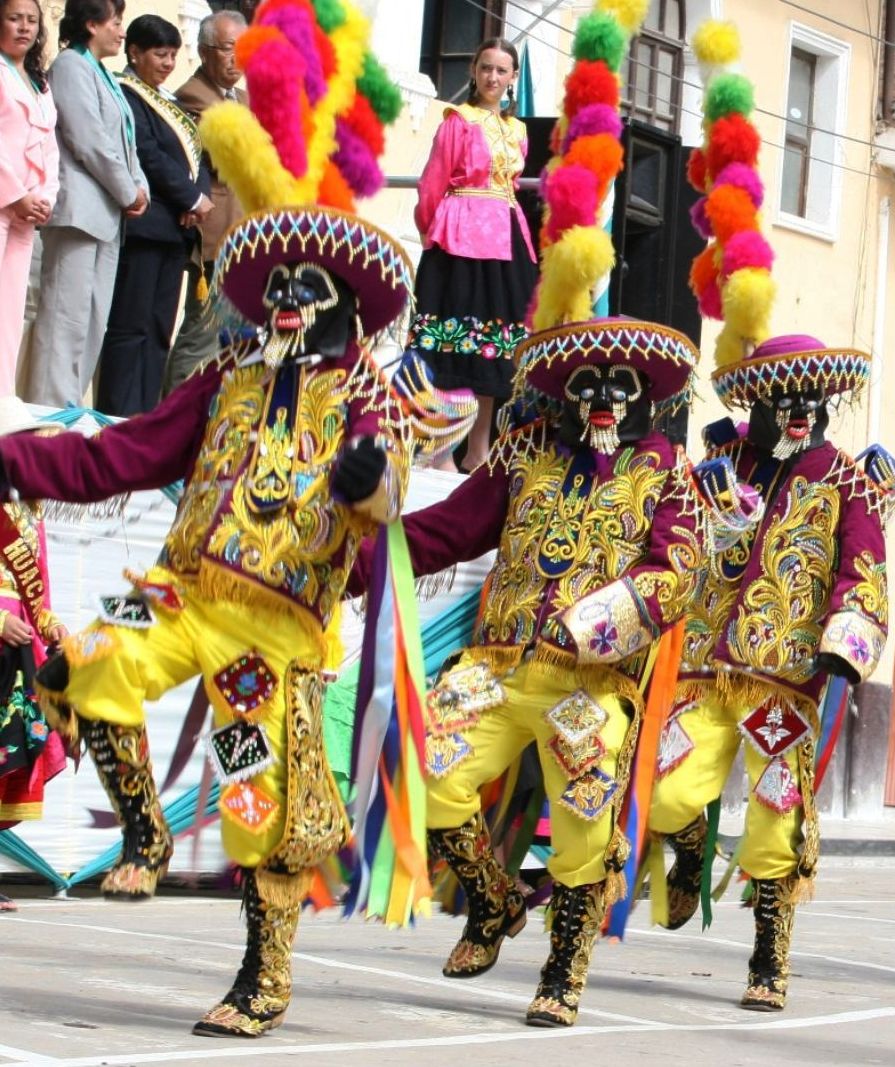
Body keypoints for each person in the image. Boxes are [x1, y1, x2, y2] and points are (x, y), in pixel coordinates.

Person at [20, 0, 417, 1037]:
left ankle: (262, 972)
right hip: (186, 592)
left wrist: (367, 477)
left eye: (305, 288)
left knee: (254, 804)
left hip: (274, 632)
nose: (286, 300)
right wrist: (7, 453)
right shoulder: (227, 379)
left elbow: (387, 502)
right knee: (82, 660)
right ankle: (143, 832)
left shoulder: (366, 394)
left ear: (336, 300)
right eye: (274, 285)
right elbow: (125, 451)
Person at [355, 0, 706, 1029]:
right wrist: (366, 549)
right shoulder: (524, 450)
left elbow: (676, 571)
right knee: (422, 767)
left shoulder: (661, 471)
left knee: (589, 821)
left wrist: (606, 618)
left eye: (614, 388)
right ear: (566, 390)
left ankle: (562, 970)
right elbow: (455, 524)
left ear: (636, 397)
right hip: (503, 662)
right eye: (587, 383)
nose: (600, 398)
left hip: (588, 674)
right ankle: (496, 893)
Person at [644, 22, 895, 1014]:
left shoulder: (844, 480)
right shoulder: (714, 464)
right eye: (779, 401)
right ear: (756, 404)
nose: (795, 414)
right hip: (705, 668)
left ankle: (767, 952)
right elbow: (669, 538)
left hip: (788, 679)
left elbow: (864, 571)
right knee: (668, 790)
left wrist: (845, 640)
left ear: (822, 407)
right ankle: (676, 849)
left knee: (776, 824)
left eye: (808, 402)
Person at [408, 37, 536, 471]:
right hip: (459, 236)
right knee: (449, 340)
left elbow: (513, 186)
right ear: (473, 71)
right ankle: (440, 448)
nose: (493, 77)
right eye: (486, 68)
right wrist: (434, 231)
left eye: (502, 71)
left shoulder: (518, 131)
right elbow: (433, 183)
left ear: (513, 78)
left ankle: (479, 448)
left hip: (506, 240)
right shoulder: (456, 121)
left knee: (494, 345)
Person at [21, 0, 144, 409]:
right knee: (64, 320)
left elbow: (125, 142)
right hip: (79, 213)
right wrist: (129, 191)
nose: (121, 31)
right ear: (91, 24)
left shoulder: (102, 73)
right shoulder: (71, 67)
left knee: (92, 322)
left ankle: (72, 407)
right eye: (116, 22)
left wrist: (138, 185)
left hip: (106, 215)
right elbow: (88, 140)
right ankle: (50, 414)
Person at [94, 13, 210, 415]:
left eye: (173, 55)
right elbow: (148, 154)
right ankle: (116, 416)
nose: (168, 63)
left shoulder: (171, 103)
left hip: (177, 232)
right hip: (146, 228)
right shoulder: (127, 95)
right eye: (160, 54)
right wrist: (191, 200)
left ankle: (144, 418)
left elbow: (199, 159)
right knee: (130, 327)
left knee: (160, 328)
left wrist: (197, 202)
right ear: (135, 52)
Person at [0, 398, 69, 912]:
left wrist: (50, 621)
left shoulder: (30, 510)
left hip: (21, 650)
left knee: (20, 755)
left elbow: (37, 589)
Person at [161, 8, 244, 397]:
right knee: (201, 337)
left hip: (249, 236)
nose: (237, 59)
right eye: (228, 49)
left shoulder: (245, 98)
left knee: (235, 347)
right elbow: (235, 157)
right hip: (217, 236)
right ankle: (167, 420)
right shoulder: (192, 96)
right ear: (205, 50)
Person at [0, 0, 56, 396]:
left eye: (31, 20)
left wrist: (45, 196)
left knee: (10, 311)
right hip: (5, 201)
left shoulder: (38, 80)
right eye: (14, 18)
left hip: (26, 215)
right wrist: (17, 194)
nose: (24, 28)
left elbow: (49, 147)